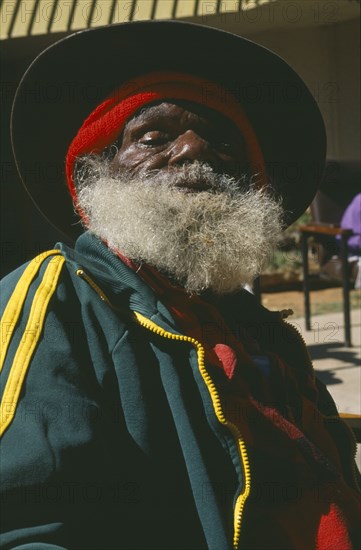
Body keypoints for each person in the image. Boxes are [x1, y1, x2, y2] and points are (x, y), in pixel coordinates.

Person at [1, 20, 359, 550]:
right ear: (98, 172)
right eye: (153, 137)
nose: (195, 149)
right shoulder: (56, 299)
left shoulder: (261, 329)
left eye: (222, 141)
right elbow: (28, 524)